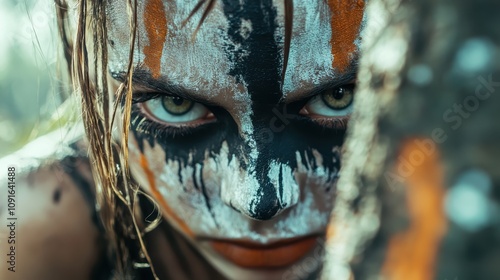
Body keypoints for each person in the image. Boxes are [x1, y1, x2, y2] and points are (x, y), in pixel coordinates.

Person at [0, 0, 367, 279]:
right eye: (176, 104)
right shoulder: (24, 228)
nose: (257, 201)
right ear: (98, 84)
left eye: (338, 97)